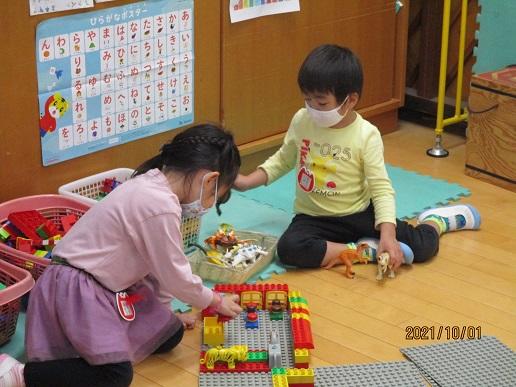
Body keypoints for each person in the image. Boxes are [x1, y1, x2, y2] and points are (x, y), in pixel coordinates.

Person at [0, 124, 243, 387]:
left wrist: (163, 316)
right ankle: (18, 375)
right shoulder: (159, 205)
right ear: (209, 180)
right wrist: (215, 301)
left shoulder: (152, 183)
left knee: (169, 334)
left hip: (105, 287)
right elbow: (176, 276)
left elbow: (158, 270)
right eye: (215, 196)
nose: (208, 204)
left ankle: (106, 344)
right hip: (77, 289)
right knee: (115, 375)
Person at [234, 44, 481, 271]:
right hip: (313, 218)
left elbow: (381, 188)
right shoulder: (302, 120)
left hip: (358, 213)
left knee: (423, 249)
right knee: (288, 250)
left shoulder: (366, 135)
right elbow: (283, 160)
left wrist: (387, 234)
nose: (312, 108)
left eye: (321, 102)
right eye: (307, 99)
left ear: (350, 100)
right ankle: (365, 252)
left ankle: (436, 221)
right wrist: (246, 181)